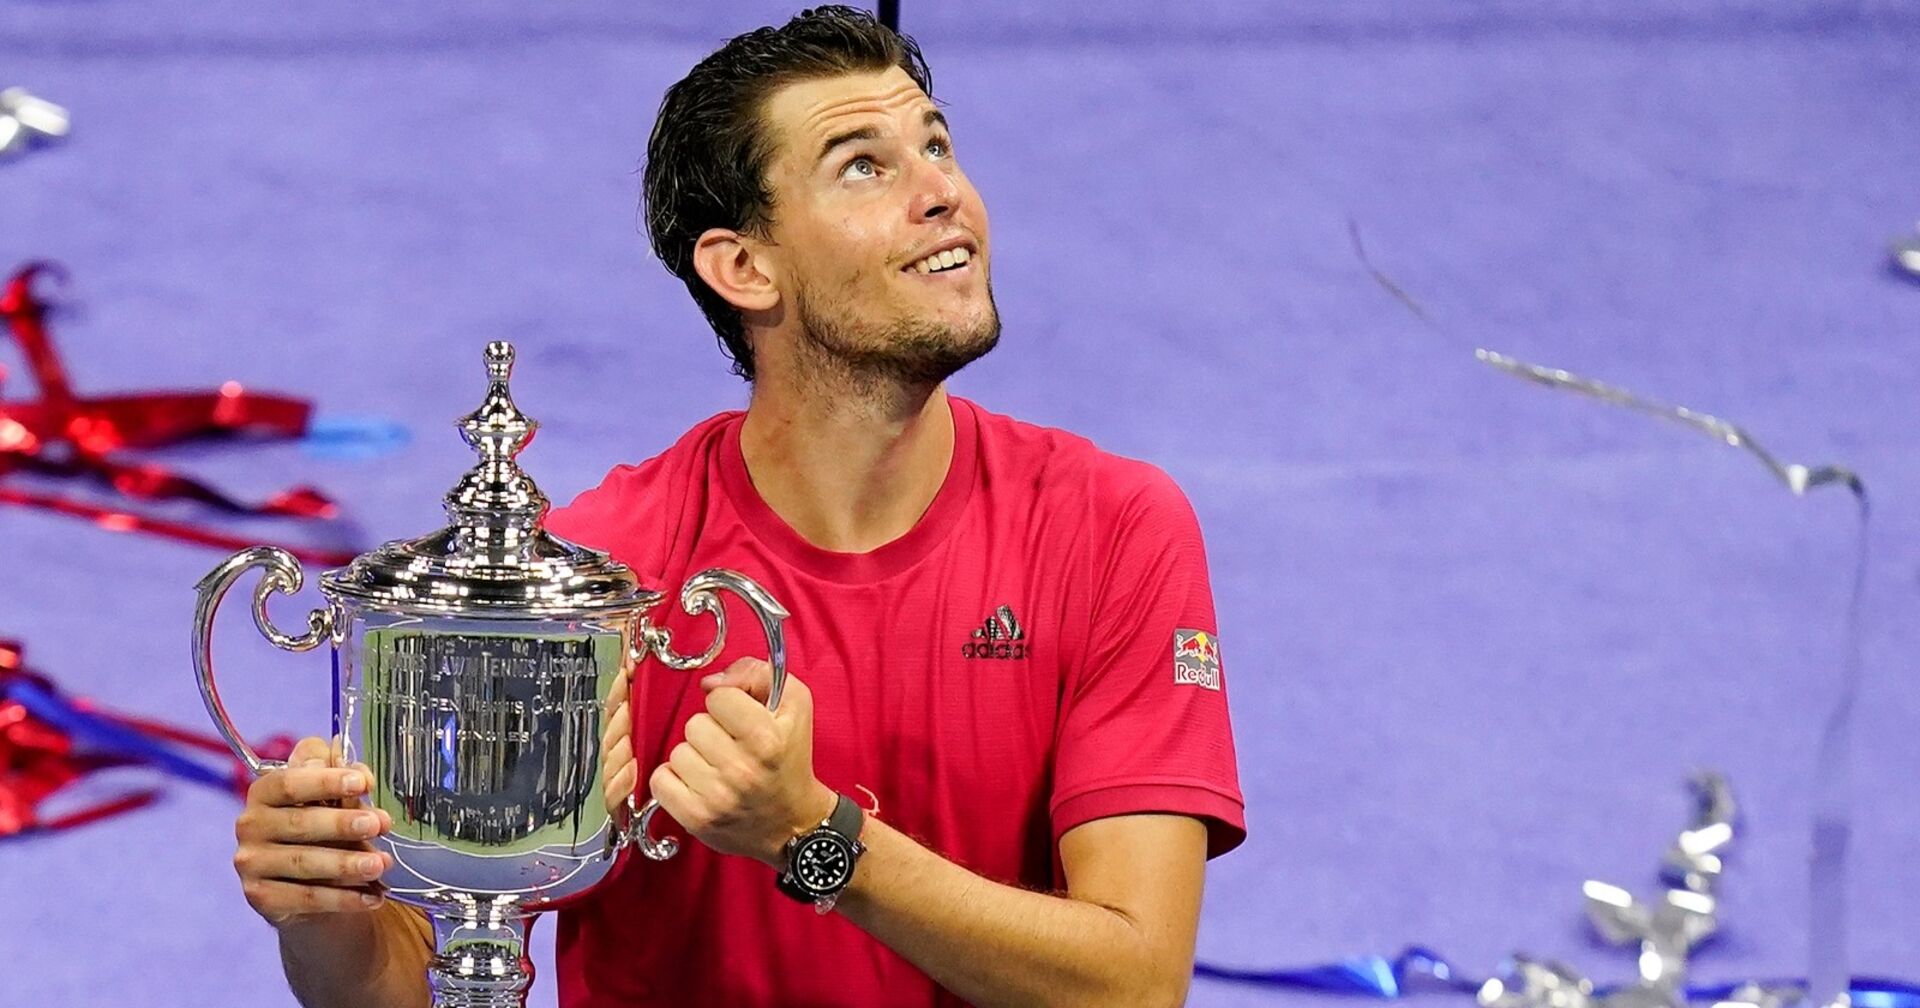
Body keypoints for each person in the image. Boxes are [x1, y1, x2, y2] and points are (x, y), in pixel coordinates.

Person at [229, 7, 1243, 1006]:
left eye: (937, 144)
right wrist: (327, 911)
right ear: (744, 267)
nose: (943, 192)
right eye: (863, 165)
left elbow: (1134, 985)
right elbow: (417, 982)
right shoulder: (601, 577)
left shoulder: (1113, 528)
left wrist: (811, 836)